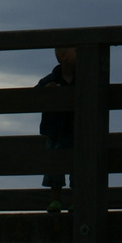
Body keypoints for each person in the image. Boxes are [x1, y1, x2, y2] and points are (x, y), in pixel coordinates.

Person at [34, 46, 76, 213]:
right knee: (54, 166)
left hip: (76, 129)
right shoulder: (49, 80)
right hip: (55, 130)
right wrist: (45, 94)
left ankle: (76, 199)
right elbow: (32, 98)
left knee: (77, 166)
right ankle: (55, 199)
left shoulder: (85, 78)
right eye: (76, 51)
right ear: (62, 55)